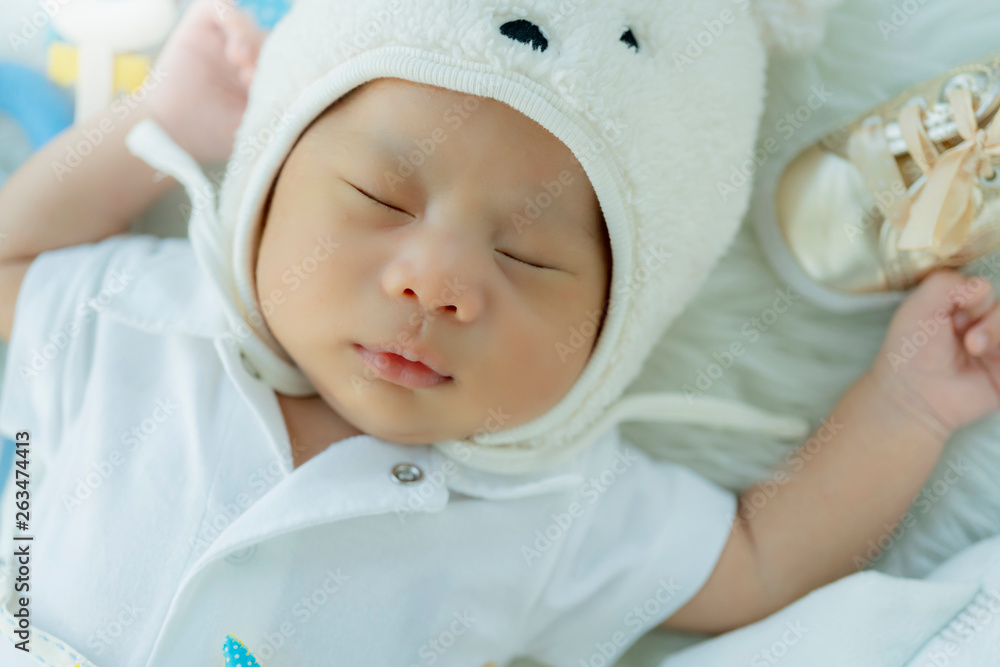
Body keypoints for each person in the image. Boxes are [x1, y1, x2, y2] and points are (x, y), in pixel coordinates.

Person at [0, 0, 998, 665]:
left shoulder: (550, 506)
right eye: (378, 195)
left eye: (529, 260)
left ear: (612, 335)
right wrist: (156, 123)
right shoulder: (137, 320)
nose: (436, 283)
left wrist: (906, 405)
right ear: (262, 185)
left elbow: (758, 561)